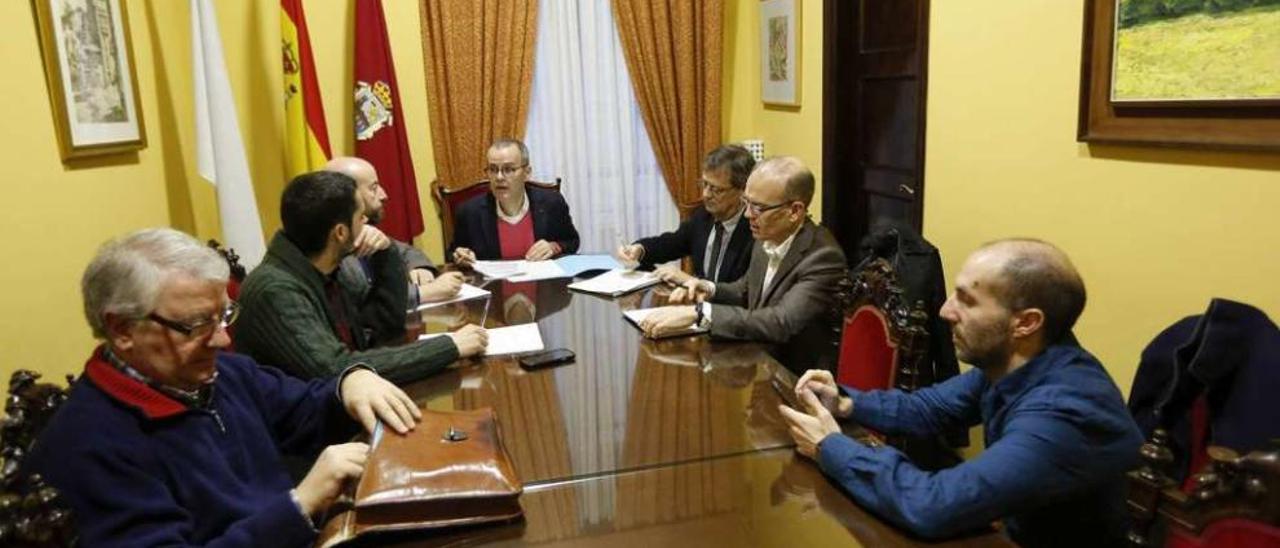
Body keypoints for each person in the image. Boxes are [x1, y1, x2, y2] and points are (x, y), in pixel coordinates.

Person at [27, 228, 422, 547]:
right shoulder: (89, 444)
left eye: (224, 316)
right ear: (122, 329)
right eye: (197, 325)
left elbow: (306, 411)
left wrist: (351, 383)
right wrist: (299, 506)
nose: (221, 340)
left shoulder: (221, 374)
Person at [780, 239, 1143, 546]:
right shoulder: (1014, 362)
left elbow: (933, 505)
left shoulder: (1066, 412)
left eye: (966, 301)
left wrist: (830, 446)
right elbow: (928, 408)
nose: (945, 310)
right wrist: (846, 402)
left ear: (1026, 323)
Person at [236, 171, 487, 383]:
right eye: (360, 216)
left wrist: (385, 251)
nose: (366, 221)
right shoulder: (275, 290)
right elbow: (338, 369)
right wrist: (449, 347)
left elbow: (384, 325)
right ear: (341, 232)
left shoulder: (331, 266)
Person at [637, 156, 847, 371]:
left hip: (796, 379)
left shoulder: (823, 257)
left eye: (758, 207)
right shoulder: (768, 235)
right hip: (757, 361)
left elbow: (781, 322)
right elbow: (746, 289)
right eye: (746, 202)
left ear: (794, 211)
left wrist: (701, 313)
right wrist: (707, 288)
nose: (747, 214)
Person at [325, 156, 464, 305]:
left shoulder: (363, 228)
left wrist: (419, 267)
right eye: (373, 188)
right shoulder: (334, 239)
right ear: (349, 194)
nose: (384, 195)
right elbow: (361, 299)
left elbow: (407, 251)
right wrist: (424, 292)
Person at [616, 144, 756, 285]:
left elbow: (746, 292)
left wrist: (690, 281)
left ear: (742, 191)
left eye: (716, 190)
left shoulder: (755, 231)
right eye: (704, 184)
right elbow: (672, 243)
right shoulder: (703, 216)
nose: (705, 194)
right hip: (695, 305)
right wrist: (640, 249)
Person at [448, 138, 580, 265]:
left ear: (527, 173)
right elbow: (453, 253)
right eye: (493, 169)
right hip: (493, 285)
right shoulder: (469, 211)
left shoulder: (551, 203)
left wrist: (554, 247)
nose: (499, 177)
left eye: (509, 169)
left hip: (543, 284)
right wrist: (460, 256)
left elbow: (572, 242)